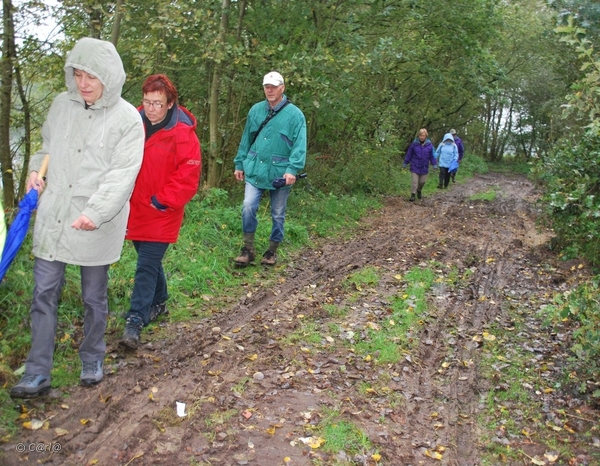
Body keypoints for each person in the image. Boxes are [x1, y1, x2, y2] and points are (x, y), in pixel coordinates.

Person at [9, 38, 145, 399]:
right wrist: (37, 172)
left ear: (110, 78)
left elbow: (122, 175)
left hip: (94, 221)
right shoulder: (60, 105)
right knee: (43, 293)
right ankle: (37, 372)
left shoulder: (128, 120)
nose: (84, 83)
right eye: (79, 74)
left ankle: (92, 357)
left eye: (93, 76)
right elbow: (45, 147)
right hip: (54, 215)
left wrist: (95, 212)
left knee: (93, 297)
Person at [119, 74, 201, 349]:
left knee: (145, 266)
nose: (151, 108)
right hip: (135, 208)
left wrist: (163, 200)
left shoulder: (182, 133)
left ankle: (135, 320)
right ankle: (160, 300)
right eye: (146, 102)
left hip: (163, 210)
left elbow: (188, 174)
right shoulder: (132, 122)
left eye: (157, 103)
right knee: (148, 260)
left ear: (170, 104)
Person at [233, 71, 307, 267]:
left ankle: (272, 251)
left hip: (280, 174)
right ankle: (248, 249)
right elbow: (246, 139)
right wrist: (240, 163)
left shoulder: (295, 115)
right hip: (255, 169)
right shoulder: (255, 110)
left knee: (277, 213)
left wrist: (292, 169)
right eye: (267, 86)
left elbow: (300, 145)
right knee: (248, 206)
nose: (270, 90)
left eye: (274, 86)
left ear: (282, 88)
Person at [403, 128, 437, 201]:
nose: (422, 137)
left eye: (423, 136)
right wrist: (405, 163)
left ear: (426, 136)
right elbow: (409, 154)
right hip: (415, 166)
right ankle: (413, 195)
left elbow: (432, 156)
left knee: (422, 182)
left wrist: (434, 164)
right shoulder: (414, 144)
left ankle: (419, 190)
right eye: (420, 135)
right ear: (419, 136)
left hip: (424, 167)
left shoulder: (429, 145)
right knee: (414, 182)